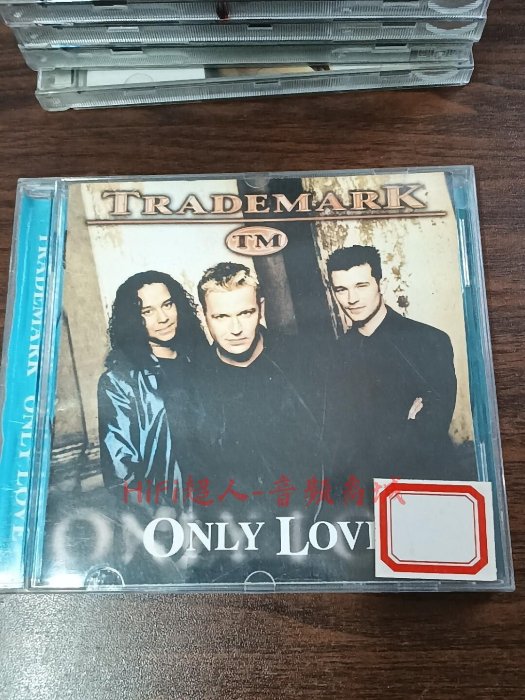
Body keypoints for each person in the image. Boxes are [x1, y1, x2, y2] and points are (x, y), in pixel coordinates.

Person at [180, 262, 328, 583]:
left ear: (261, 308)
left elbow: (328, 450)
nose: (235, 328)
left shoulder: (301, 361)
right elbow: (194, 475)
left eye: (245, 313)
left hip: (307, 531)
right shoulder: (190, 382)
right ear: (205, 317)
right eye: (221, 316)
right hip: (231, 543)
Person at [326, 244, 466, 483]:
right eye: (341, 289)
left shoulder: (429, 340)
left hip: (424, 483)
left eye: (361, 286)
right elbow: (338, 439)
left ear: (382, 284)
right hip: (365, 490)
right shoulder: (336, 353)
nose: (351, 299)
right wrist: (405, 423)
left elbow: (430, 433)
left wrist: (370, 437)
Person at [97, 270, 205, 493]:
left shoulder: (202, 361)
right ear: (132, 319)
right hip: (169, 504)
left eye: (167, 305)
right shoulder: (119, 381)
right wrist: (156, 509)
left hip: (221, 497)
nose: (163, 318)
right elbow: (120, 469)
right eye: (147, 311)